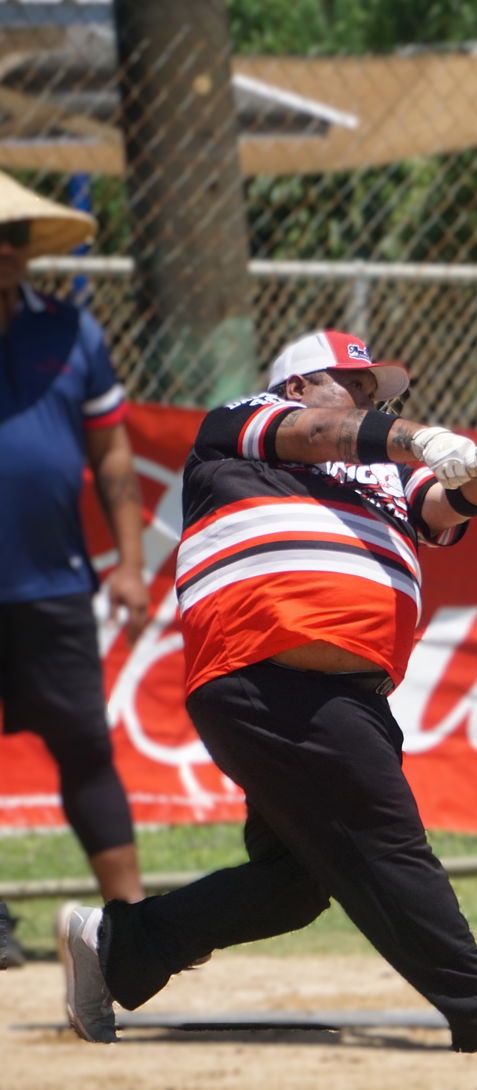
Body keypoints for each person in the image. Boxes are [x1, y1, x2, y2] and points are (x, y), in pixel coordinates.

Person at [54, 330, 477, 1052]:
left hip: (339, 689)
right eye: (358, 387)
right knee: (386, 840)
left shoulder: (382, 478)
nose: (371, 403)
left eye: (378, 396)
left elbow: (441, 510)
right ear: (295, 387)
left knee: (295, 883)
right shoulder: (241, 426)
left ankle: (119, 943)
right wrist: (424, 437)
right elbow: (324, 432)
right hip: (271, 670)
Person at [0, 171, 149, 971]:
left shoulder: (71, 330)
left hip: (55, 581)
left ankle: (132, 929)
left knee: (87, 747)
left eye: (17, 236)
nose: (8, 252)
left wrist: (128, 563)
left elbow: (111, 449)